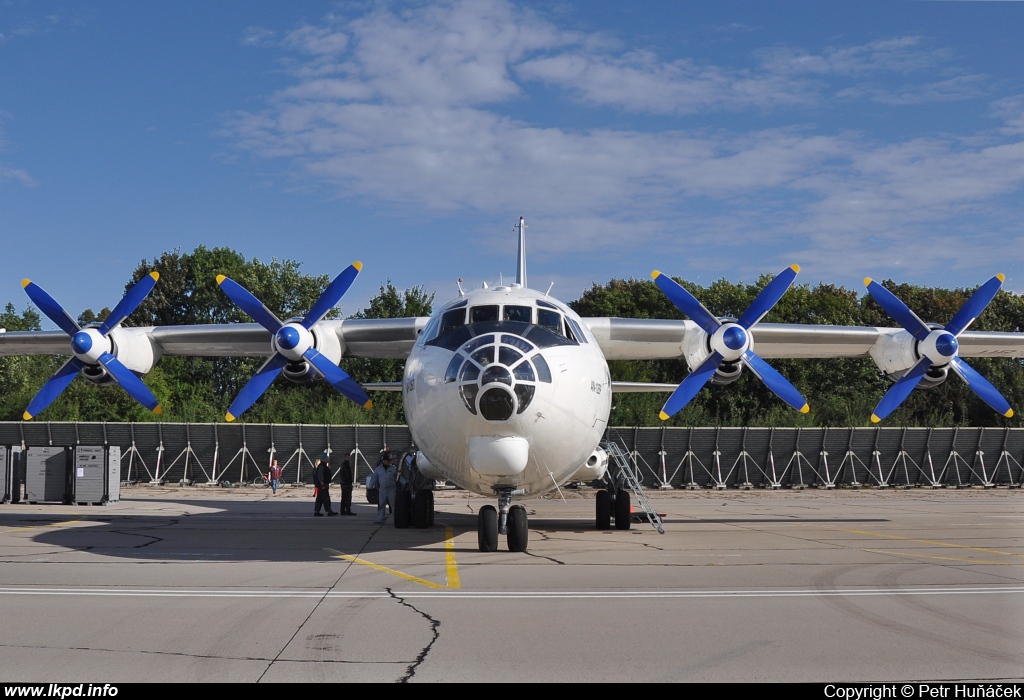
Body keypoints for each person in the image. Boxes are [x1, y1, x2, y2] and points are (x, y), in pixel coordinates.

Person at [373, 453, 398, 524]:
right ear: (384, 461)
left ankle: (395, 519)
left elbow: (398, 478)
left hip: (392, 489)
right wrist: (370, 486)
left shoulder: (393, 469)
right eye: (387, 460)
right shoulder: (378, 469)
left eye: (389, 461)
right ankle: (381, 518)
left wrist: (405, 483)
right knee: (381, 504)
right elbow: (374, 478)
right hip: (382, 489)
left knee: (393, 505)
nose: (389, 462)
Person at [313, 452, 336, 516]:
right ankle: (329, 511)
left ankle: (317, 512)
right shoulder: (322, 466)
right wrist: (322, 483)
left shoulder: (323, 466)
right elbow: (320, 475)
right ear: (323, 459)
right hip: (322, 485)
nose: (328, 460)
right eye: (327, 459)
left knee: (319, 499)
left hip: (322, 485)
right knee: (326, 498)